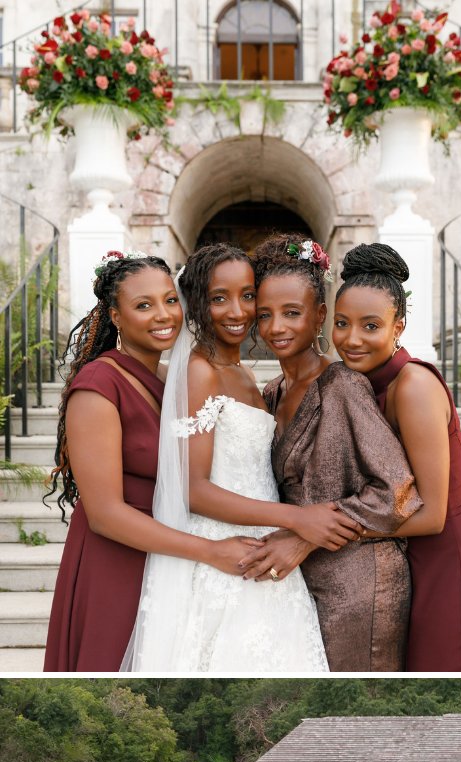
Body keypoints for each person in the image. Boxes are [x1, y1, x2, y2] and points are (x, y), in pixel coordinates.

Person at [124, 243, 342, 671]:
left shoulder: (244, 373)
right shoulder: (199, 371)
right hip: (228, 552)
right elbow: (193, 489)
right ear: (197, 303)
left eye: (247, 295)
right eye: (219, 298)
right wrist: (296, 519)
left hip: (268, 546)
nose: (237, 310)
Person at [44, 252, 257, 670]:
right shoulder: (97, 386)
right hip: (118, 560)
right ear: (115, 316)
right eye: (144, 306)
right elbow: (105, 514)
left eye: (170, 301)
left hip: (170, 555)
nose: (163, 315)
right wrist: (210, 550)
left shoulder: (175, 379)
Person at [240, 234, 423, 670]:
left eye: (291, 313)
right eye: (264, 315)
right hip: (300, 580)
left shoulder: (342, 386)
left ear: (320, 315)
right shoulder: (270, 393)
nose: (276, 327)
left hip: (358, 582)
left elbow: (396, 492)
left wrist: (303, 538)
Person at [330, 242, 461, 671]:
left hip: (453, 557)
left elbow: (433, 516)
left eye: (370, 326)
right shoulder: (358, 383)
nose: (352, 339)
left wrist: (330, 529)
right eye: (341, 324)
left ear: (399, 327)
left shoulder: (413, 387)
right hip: (410, 555)